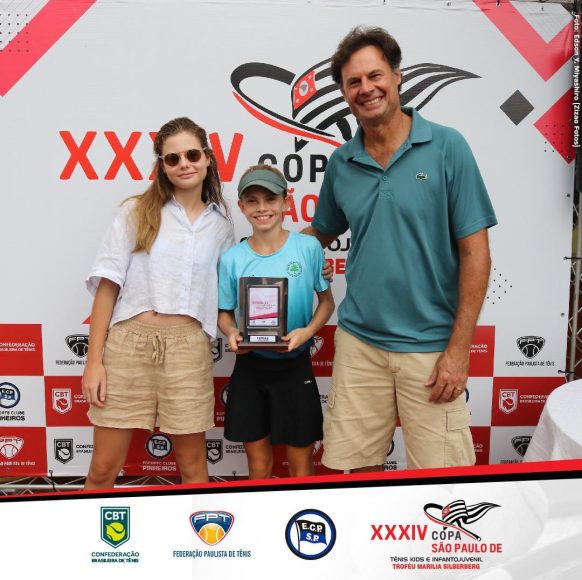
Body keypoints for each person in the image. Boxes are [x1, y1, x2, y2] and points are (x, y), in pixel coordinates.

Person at [304, 27, 497, 472]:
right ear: (344, 93)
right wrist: (262, 253)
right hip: (359, 343)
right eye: (353, 82)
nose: (366, 89)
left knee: (444, 485)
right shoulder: (342, 162)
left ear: (397, 77)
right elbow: (320, 233)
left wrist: (458, 350)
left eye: (375, 76)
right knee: (355, 473)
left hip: (431, 348)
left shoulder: (448, 146)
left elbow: (476, 253)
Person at [82, 117, 235, 489]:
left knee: (193, 468)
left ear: (208, 158)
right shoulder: (136, 211)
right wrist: (94, 362)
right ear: (162, 166)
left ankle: (196, 531)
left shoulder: (221, 227)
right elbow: (108, 288)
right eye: (173, 158)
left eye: (192, 154)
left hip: (188, 350)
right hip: (128, 345)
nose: (184, 164)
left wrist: (234, 332)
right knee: (103, 467)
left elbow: (222, 298)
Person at [218, 164, 334, 479]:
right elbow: (224, 312)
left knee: (301, 468)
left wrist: (307, 332)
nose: (262, 208)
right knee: (258, 468)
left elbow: (326, 303)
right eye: (252, 201)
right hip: (250, 369)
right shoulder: (232, 259)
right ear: (241, 207)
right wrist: (231, 332)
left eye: (270, 199)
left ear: (286, 202)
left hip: (295, 368)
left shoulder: (308, 248)